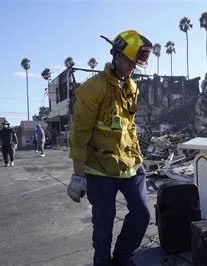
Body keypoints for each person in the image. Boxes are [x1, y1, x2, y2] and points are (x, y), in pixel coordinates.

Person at [67, 30, 152, 266]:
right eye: (129, 60)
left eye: (136, 62)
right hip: (99, 170)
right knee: (104, 226)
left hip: (130, 166)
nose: (132, 66)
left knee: (142, 214)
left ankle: (123, 257)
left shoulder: (132, 87)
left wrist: (138, 157)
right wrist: (77, 175)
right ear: (115, 55)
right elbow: (80, 133)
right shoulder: (93, 89)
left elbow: (129, 126)